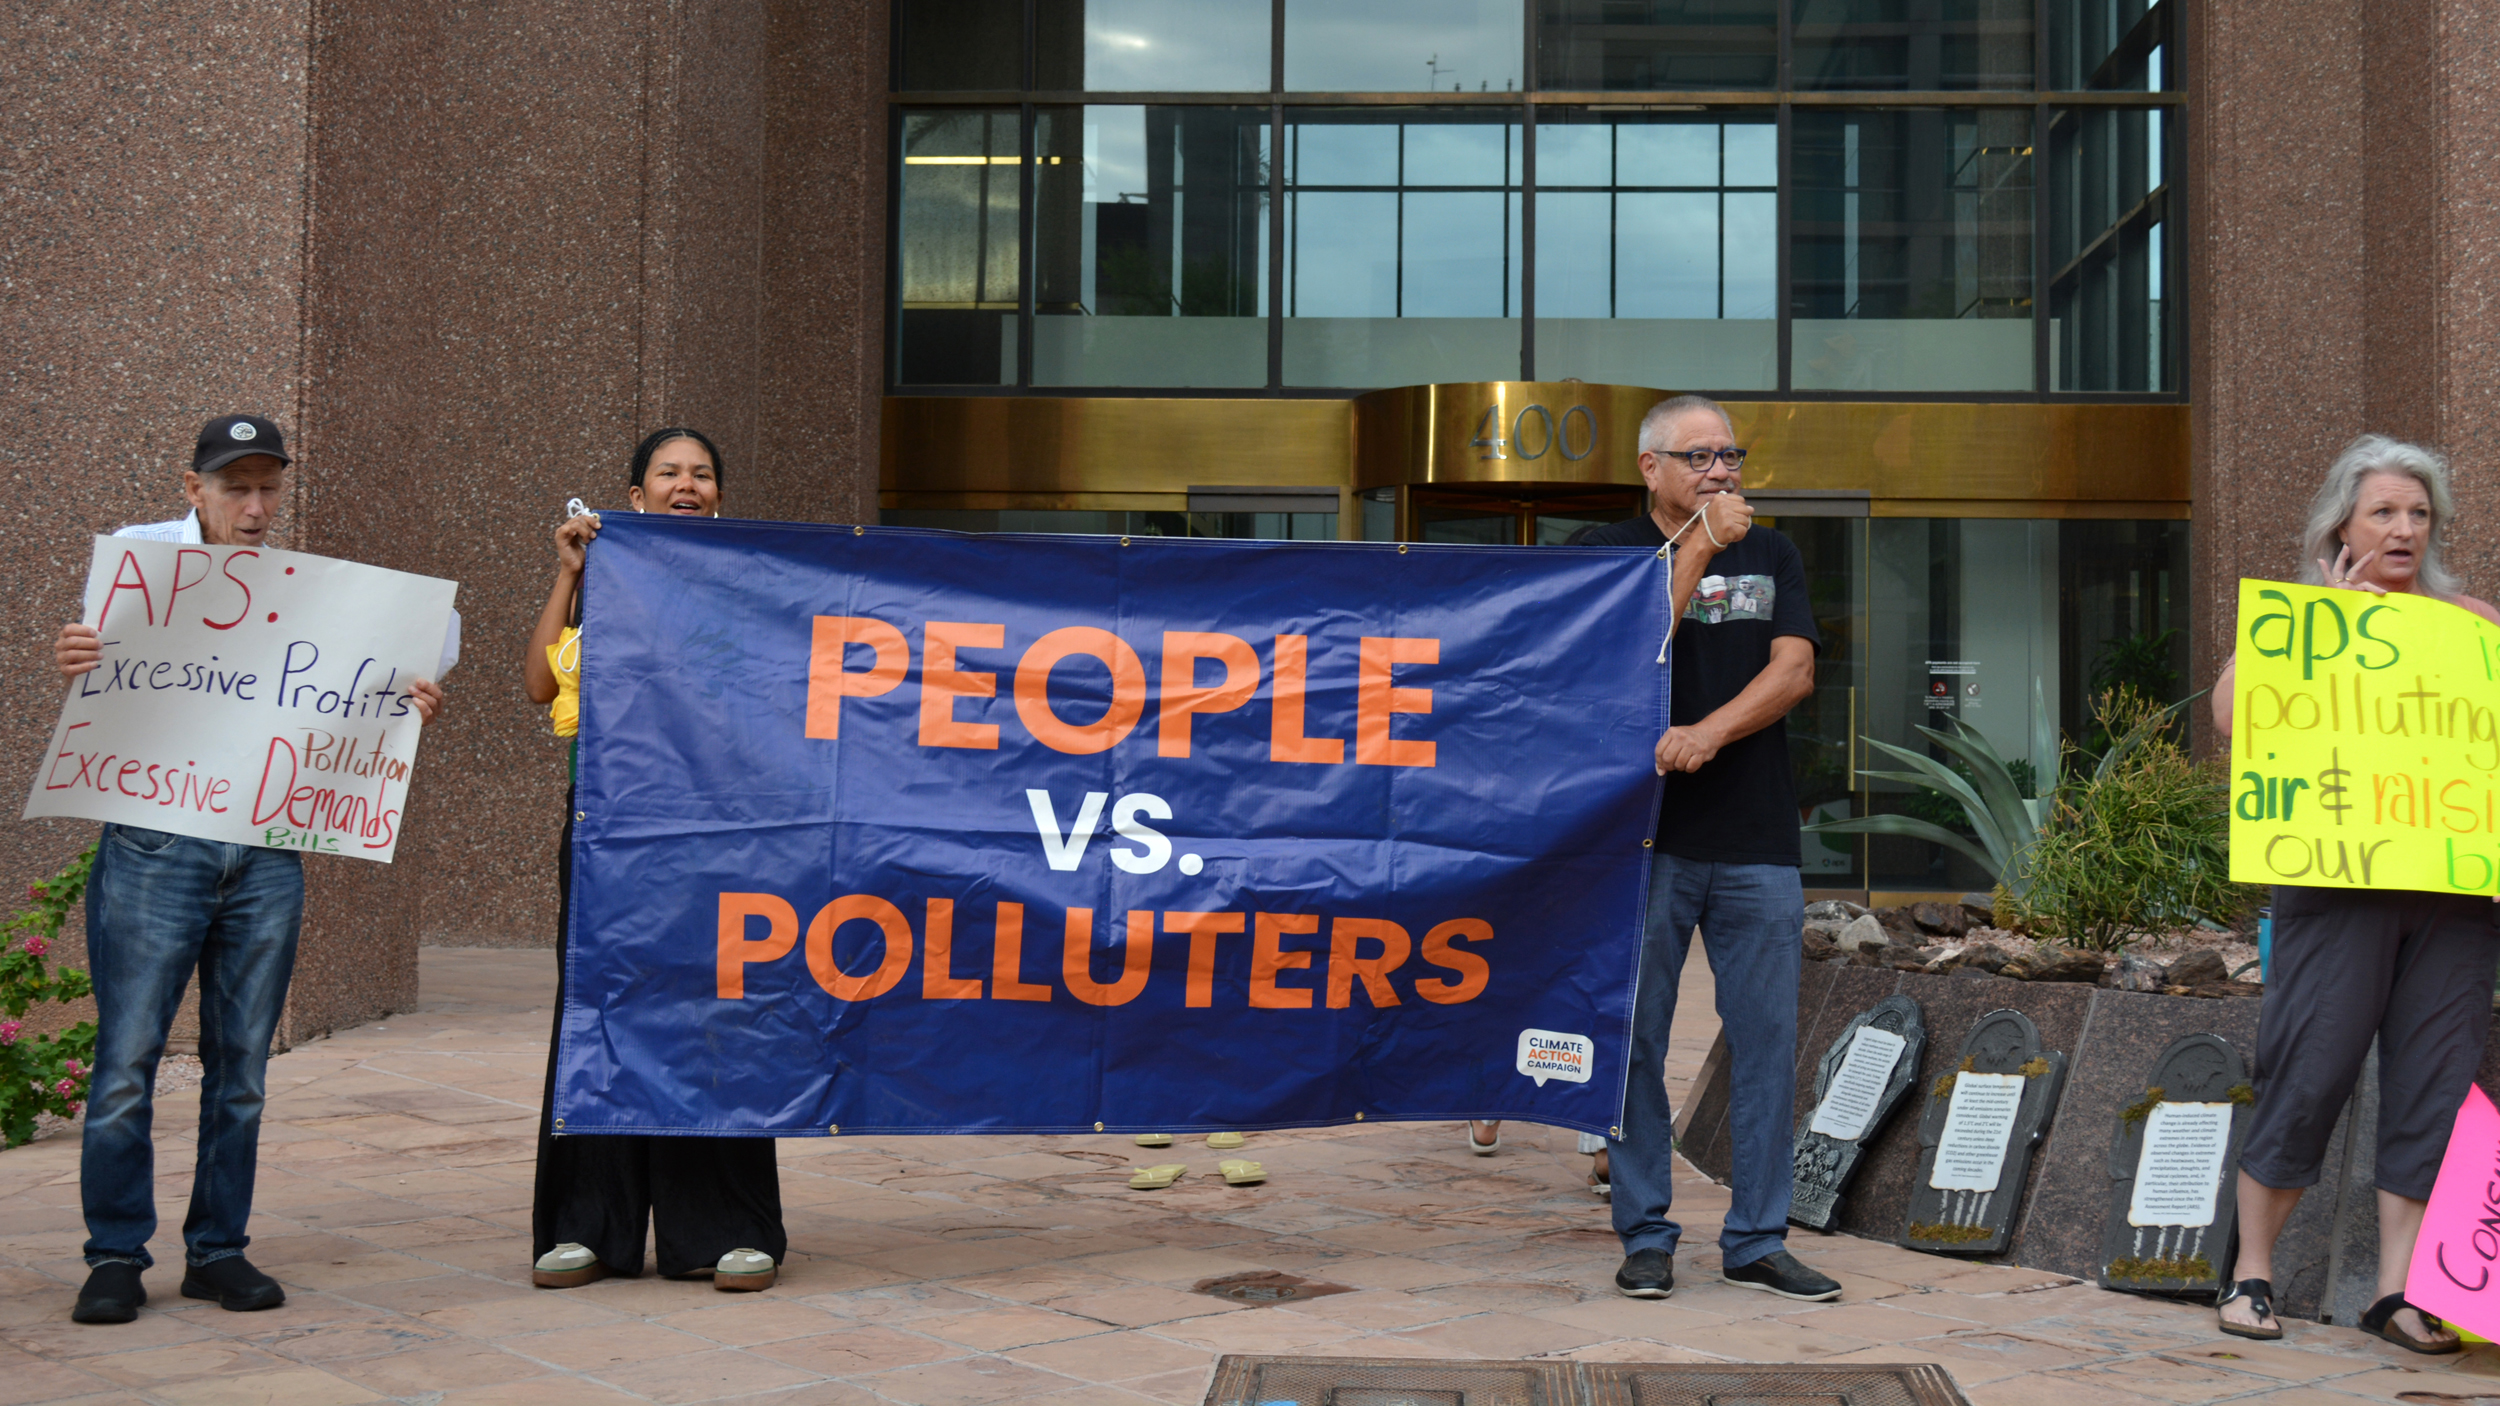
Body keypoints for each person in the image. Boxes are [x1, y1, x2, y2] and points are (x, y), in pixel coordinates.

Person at [51, 415, 452, 1324]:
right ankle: (115, 1254)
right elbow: (104, 674)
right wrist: (77, 657)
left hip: (266, 852)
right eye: (237, 488)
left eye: (270, 488)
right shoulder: (138, 563)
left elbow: (430, 647)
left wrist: (413, 695)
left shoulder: (308, 591)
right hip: (157, 846)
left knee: (242, 1069)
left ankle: (216, 1250)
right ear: (193, 490)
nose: (257, 506)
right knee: (126, 1060)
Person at [2210, 435, 2500, 1353]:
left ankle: (2397, 1294)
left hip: (2452, 902)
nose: (2404, 528)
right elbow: (2228, 721)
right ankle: (2249, 1273)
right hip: (2338, 895)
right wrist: (2323, 629)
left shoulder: (2473, 626)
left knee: (2432, 1086)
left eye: (2419, 514)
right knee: (2309, 1071)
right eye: (2384, 511)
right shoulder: (2303, 622)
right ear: (2342, 522)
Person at [1574, 394, 1838, 1303]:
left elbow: (1793, 670)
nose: (1722, 471)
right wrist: (1700, 547)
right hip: (1642, 842)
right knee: (1634, 1040)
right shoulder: (1602, 556)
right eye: (1699, 457)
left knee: (1766, 1044)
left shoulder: (1776, 553)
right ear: (1651, 467)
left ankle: (1758, 1238)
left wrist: (1707, 733)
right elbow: (1617, 657)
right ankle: (1645, 1231)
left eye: (1731, 454)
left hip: (1757, 836)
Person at [520, 426, 786, 1293]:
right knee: (599, 1011)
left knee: (719, 1012)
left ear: (719, 496)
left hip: (719, 834)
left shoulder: (752, 587)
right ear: (632, 497)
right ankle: (587, 1228)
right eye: (667, 473)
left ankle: (727, 1229)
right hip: (610, 836)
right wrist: (570, 574)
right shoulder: (607, 583)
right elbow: (537, 686)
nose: (686, 485)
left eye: (702, 474)